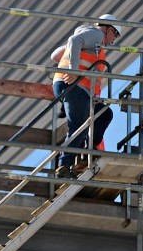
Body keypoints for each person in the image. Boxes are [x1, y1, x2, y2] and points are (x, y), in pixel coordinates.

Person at [52, 14, 121, 178]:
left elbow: (55, 56)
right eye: (115, 34)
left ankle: (85, 149)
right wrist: (74, 71)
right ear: (107, 28)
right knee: (79, 126)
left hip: (78, 90)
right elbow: (74, 41)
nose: (113, 40)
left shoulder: (90, 40)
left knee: (104, 113)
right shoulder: (97, 34)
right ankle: (64, 165)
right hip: (74, 87)